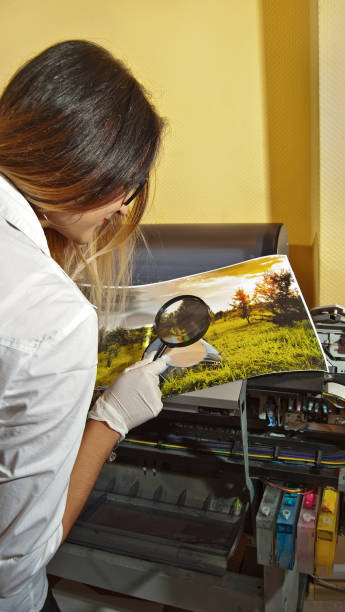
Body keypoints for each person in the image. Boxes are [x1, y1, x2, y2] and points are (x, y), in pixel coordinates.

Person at [0, 40, 170, 612]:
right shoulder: (53, 318)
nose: (123, 209)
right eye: (125, 185)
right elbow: (14, 560)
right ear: (86, 166)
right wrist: (110, 420)